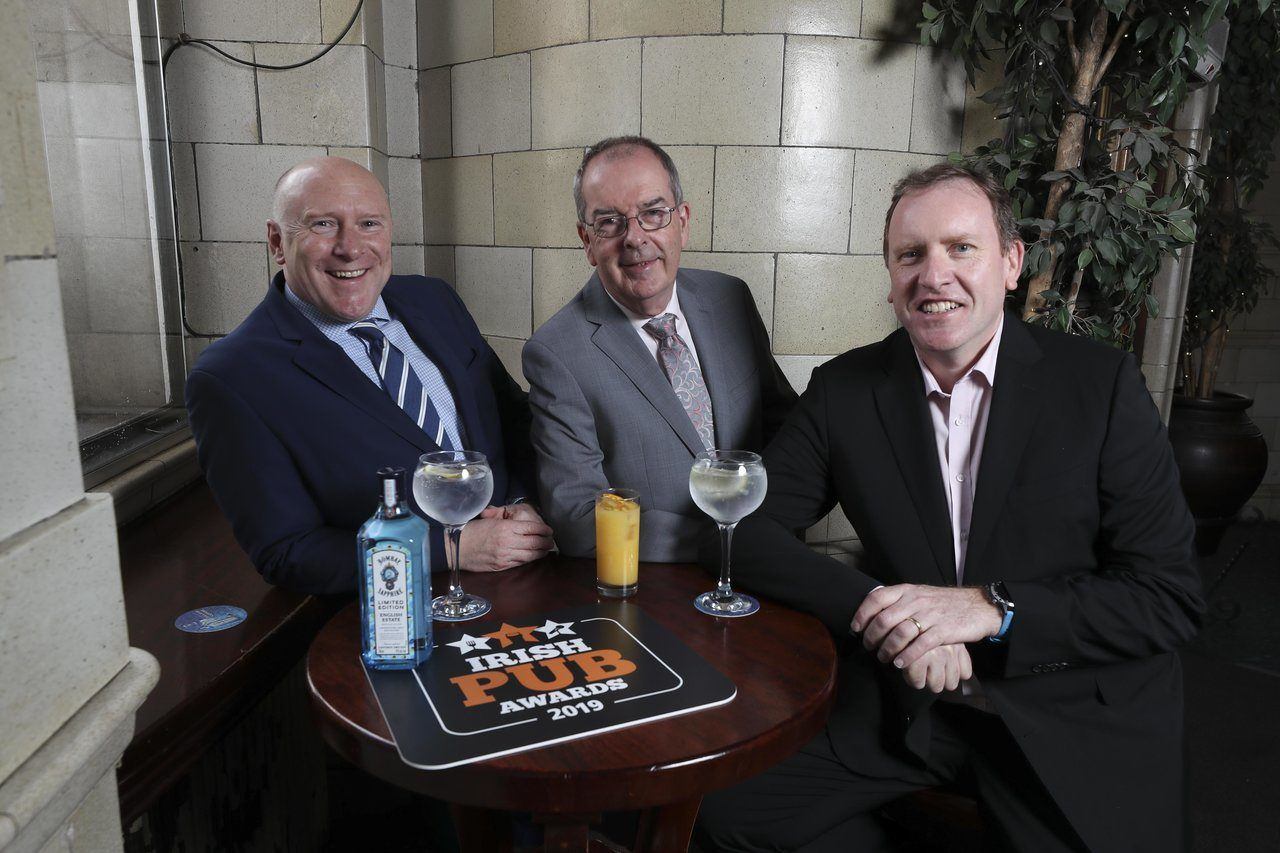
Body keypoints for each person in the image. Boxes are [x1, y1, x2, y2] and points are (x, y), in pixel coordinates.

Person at [696, 164, 1204, 852]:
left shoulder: (1100, 386)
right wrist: (888, 615)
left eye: (960, 247)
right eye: (911, 254)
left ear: (1011, 262)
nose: (934, 274)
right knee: (719, 816)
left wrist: (993, 611)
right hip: (913, 704)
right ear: (891, 276)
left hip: (1067, 707)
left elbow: (1166, 596)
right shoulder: (846, 390)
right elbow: (739, 531)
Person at [187, 156, 553, 594]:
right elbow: (287, 553)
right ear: (277, 242)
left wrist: (522, 505)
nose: (350, 247)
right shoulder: (231, 377)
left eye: (369, 224)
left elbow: (514, 422)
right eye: (322, 225)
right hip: (395, 607)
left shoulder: (434, 300)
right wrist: (451, 549)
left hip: (523, 572)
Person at [522, 136, 796, 561]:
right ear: (587, 241)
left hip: (774, 561)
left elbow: (785, 428)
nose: (634, 238)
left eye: (653, 213)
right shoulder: (557, 353)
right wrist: (728, 544)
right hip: (663, 589)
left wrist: (778, 531)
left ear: (682, 222)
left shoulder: (730, 298)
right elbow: (579, 519)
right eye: (610, 222)